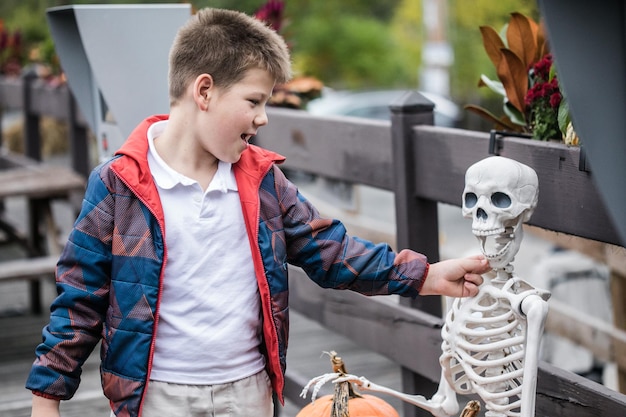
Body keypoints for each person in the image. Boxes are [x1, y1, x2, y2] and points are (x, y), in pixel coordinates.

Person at [26, 7, 490, 417]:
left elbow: (331, 251)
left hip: (247, 390)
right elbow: (79, 299)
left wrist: (425, 275)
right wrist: (46, 398)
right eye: (254, 101)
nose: (263, 117)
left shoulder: (262, 181)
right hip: (155, 396)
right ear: (203, 91)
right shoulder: (118, 184)